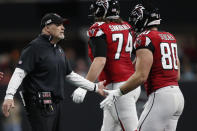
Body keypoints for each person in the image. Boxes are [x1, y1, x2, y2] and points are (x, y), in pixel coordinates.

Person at [1, 13, 105, 131]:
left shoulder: (58, 49)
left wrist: (94, 87)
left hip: (55, 104)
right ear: (47, 28)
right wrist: (9, 96)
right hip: (39, 104)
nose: (63, 27)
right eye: (58, 24)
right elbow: (19, 73)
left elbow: (70, 75)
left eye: (63, 25)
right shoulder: (34, 47)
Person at [100, 3, 185, 131]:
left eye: (135, 18)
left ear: (142, 18)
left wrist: (118, 92)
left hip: (161, 96)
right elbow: (177, 75)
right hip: (178, 97)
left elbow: (141, 76)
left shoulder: (145, 38)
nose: (134, 22)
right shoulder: (170, 37)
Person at [72, 0, 141, 131]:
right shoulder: (127, 26)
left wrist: (84, 86)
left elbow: (100, 60)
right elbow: (140, 54)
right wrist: (130, 70)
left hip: (118, 87)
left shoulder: (99, 28)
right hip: (130, 84)